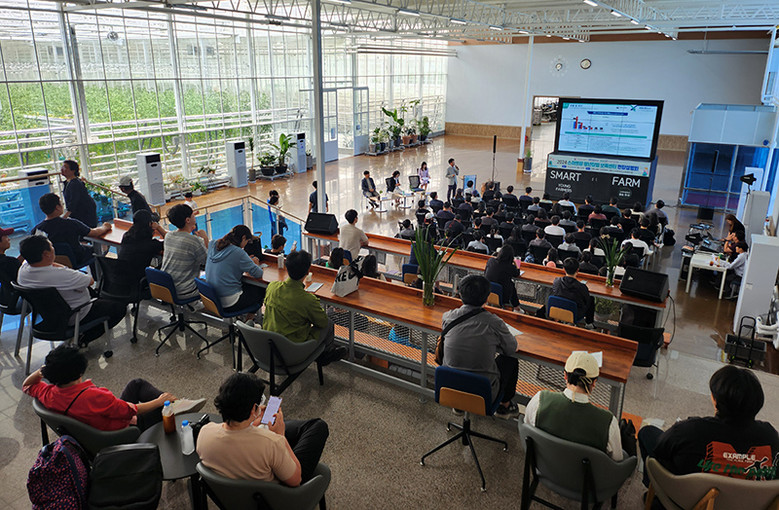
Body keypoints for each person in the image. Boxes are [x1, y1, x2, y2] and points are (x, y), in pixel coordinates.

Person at [638, 365, 778, 483]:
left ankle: (655, 492)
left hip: (687, 498)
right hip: (748, 503)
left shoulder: (692, 430)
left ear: (715, 400)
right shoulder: (770, 436)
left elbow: (660, 449)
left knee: (647, 432)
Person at [23, 345, 204, 431]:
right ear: (80, 370)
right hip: (123, 430)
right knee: (161, 406)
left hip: (97, 423)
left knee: (136, 384)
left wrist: (44, 371)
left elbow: (27, 385)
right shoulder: (94, 397)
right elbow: (131, 411)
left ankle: (175, 403)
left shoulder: (49, 394)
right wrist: (159, 401)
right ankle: (176, 406)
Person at [196, 372, 329, 485]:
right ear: (253, 409)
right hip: (275, 496)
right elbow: (296, 481)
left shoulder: (204, 432)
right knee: (319, 426)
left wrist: (253, 422)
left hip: (230, 496)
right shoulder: (272, 442)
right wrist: (280, 436)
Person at [17, 235, 127, 345]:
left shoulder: (23, 271)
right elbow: (90, 280)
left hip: (47, 316)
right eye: (51, 246)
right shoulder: (61, 274)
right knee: (119, 308)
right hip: (77, 314)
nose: (53, 248)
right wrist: (61, 268)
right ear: (46, 254)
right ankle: (83, 338)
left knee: (89, 290)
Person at [442, 274, 519, 418]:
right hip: (483, 392)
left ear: (460, 294)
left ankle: (459, 405)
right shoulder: (494, 322)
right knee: (510, 360)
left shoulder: (448, 317)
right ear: (487, 298)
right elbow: (511, 348)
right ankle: (505, 406)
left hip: (449, 385)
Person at [524, 351, 624, 461]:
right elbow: (617, 459)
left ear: (565, 376)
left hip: (544, 466)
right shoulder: (608, 423)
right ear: (594, 382)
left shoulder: (539, 400)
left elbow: (527, 430)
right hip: (585, 472)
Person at [262, 250, 347, 364]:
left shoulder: (272, 286)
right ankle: (324, 355)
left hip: (269, 347)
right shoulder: (307, 300)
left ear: (287, 267)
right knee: (329, 323)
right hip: (292, 351)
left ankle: (323, 354)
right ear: (307, 271)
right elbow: (322, 322)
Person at [34, 193, 112, 269]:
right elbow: (93, 233)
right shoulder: (70, 223)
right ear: (57, 207)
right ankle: (99, 275)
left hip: (52, 262)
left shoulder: (37, 229)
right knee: (96, 249)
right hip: (76, 258)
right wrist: (105, 227)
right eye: (61, 203)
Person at [205, 225, 265, 314]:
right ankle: (250, 320)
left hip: (212, 298)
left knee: (247, 286)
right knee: (261, 289)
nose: (245, 245)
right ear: (243, 238)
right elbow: (258, 273)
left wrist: (246, 260)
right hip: (229, 302)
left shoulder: (213, 244)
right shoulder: (238, 252)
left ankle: (246, 319)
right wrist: (255, 263)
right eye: (247, 241)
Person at [160, 204, 209, 301]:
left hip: (167, 288)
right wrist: (205, 238)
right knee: (216, 287)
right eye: (193, 214)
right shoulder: (194, 241)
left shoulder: (169, 236)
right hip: (184, 291)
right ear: (188, 220)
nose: (194, 215)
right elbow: (207, 261)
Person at [551, 258, 595, 325]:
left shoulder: (557, 281)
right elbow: (586, 301)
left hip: (559, 309)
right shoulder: (582, 287)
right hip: (575, 314)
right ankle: (589, 323)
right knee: (591, 299)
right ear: (577, 270)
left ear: (563, 269)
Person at [60, 160, 97, 228]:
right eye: (62, 167)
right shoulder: (68, 182)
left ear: (73, 170)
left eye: (65, 167)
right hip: (79, 213)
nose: (62, 169)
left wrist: (64, 217)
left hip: (84, 214)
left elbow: (73, 202)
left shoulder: (75, 183)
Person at [0, 227, 22, 308]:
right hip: (17, 301)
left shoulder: (8, 262)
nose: (9, 239)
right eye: (6, 237)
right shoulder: (9, 262)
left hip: (4, 299)